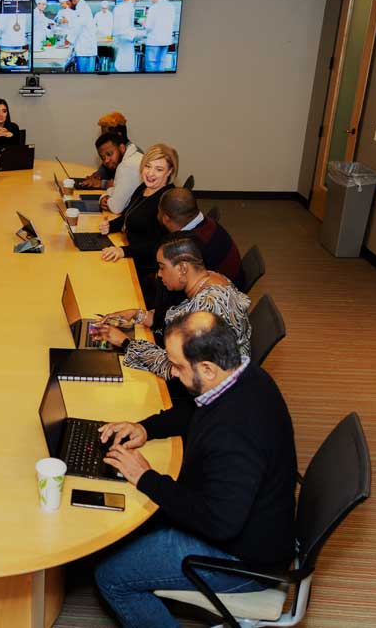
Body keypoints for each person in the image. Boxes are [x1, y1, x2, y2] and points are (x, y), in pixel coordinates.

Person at [94, 311, 297, 628]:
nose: (173, 374)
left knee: (111, 576)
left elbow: (219, 523)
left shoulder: (235, 435)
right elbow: (198, 408)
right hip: (250, 523)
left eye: (177, 366)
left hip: (241, 559)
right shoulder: (244, 376)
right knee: (126, 523)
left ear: (207, 368)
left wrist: (146, 477)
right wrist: (146, 428)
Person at [94, 233, 251, 382]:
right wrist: (137, 314)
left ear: (182, 268)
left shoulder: (207, 308)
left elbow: (174, 367)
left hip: (209, 385)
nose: (159, 274)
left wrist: (125, 343)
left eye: (162, 267)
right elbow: (175, 320)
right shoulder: (211, 277)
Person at [99, 143, 177, 279]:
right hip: (130, 252)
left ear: (170, 171)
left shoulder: (168, 200)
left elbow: (159, 245)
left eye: (159, 169)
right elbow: (128, 215)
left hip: (145, 267)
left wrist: (123, 251)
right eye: (148, 166)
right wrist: (110, 226)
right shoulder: (143, 188)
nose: (150, 173)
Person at [158, 188, 242, 289]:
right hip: (230, 282)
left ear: (166, 218)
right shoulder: (207, 223)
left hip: (218, 292)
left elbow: (176, 283)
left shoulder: (190, 246)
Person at [78, 111, 129, 190]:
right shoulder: (115, 154)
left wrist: (101, 183)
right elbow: (105, 169)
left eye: (106, 136)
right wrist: (97, 176)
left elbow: (125, 185)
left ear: (118, 135)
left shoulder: (133, 157)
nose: (103, 139)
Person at [98, 131, 144, 214]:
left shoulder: (127, 166)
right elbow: (118, 190)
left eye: (109, 154)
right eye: (103, 158)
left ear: (122, 148)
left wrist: (105, 194)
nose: (106, 160)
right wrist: (109, 192)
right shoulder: (136, 155)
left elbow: (115, 207)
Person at [144, 0, 176, 72]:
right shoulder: (171, 6)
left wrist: (142, 22)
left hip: (153, 42)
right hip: (165, 41)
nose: (151, 0)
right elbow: (172, 22)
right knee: (161, 65)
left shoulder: (154, 8)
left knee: (151, 66)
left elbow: (148, 26)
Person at [112, 0, 144, 72]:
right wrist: (145, 33)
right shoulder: (124, 8)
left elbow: (127, 29)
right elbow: (124, 33)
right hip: (124, 49)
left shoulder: (127, 7)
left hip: (125, 48)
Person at [65, 0, 98, 73]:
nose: (68, 6)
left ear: (73, 0)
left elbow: (77, 27)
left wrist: (68, 40)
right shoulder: (82, 7)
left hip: (85, 48)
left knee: (84, 75)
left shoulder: (82, 9)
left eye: (68, 4)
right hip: (86, 47)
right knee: (87, 75)